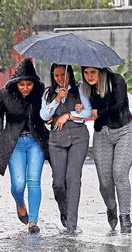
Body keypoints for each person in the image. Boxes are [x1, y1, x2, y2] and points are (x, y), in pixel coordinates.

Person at [0, 58, 49, 234]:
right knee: (18, 184)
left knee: (33, 180)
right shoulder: (5, 94)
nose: (25, 88)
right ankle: (20, 203)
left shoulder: (40, 94)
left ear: (34, 83)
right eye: (22, 84)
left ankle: (33, 221)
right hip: (13, 143)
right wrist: (0, 137)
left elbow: (48, 113)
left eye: (28, 84)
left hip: (35, 142)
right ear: (16, 83)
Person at [81, 66, 132, 233]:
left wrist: (99, 112)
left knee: (119, 173)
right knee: (105, 183)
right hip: (102, 135)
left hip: (125, 132)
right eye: (86, 73)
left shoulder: (116, 80)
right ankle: (111, 207)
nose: (89, 76)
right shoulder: (86, 89)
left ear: (100, 70)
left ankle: (125, 219)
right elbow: (82, 108)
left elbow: (119, 104)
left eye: (93, 72)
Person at [40, 64, 91, 234]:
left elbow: (88, 112)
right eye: (57, 75)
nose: (61, 78)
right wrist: (56, 101)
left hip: (78, 138)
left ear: (70, 74)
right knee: (58, 183)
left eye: (64, 74)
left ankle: (72, 224)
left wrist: (68, 115)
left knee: (73, 178)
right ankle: (64, 212)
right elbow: (44, 116)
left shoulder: (79, 89)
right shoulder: (48, 94)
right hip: (57, 140)